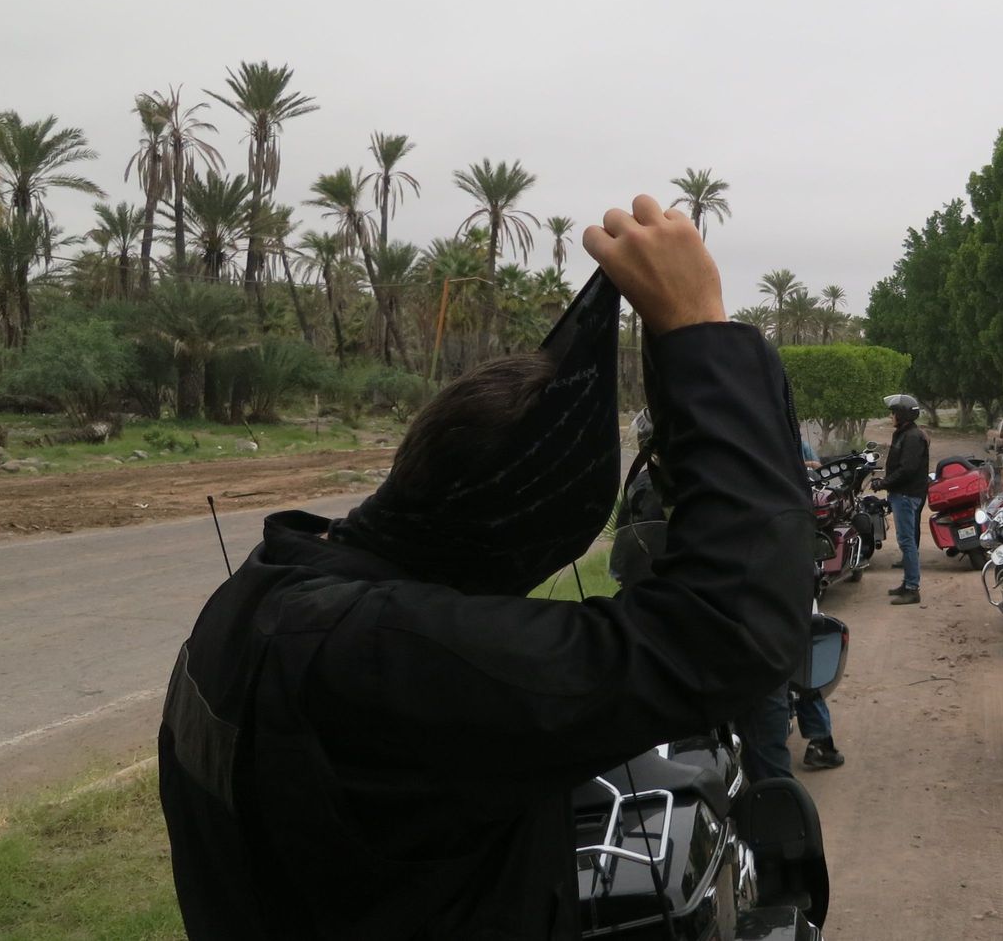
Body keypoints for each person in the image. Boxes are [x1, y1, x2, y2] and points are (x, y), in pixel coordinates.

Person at [157, 195, 814, 940]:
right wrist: (699, 331)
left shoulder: (260, 592)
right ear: (512, 547)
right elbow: (729, 631)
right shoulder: (389, 657)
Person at [879, 394, 929, 606]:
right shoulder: (904, 434)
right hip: (903, 493)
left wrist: (884, 483)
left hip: (907, 495)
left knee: (907, 542)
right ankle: (907, 582)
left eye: (893, 412)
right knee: (905, 540)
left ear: (902, 414)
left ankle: (912, 588)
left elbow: (907, 469)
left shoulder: (912, 437)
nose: (891, 416)